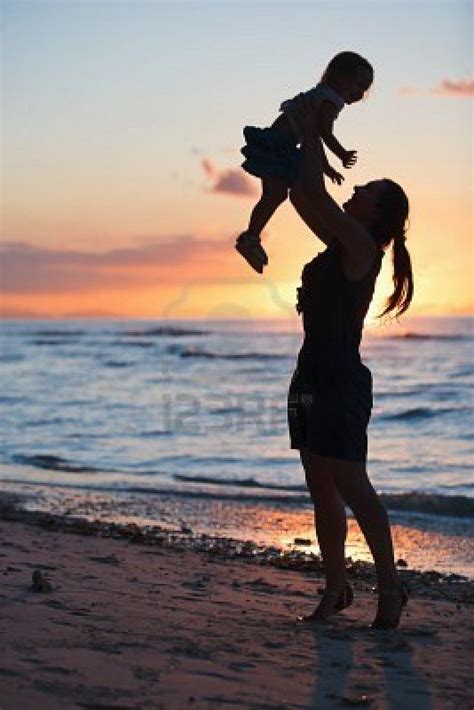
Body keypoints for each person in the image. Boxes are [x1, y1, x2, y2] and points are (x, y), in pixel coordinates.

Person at [278, 95, 414, 629]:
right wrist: (303, 136)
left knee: (353, 483)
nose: (355, 189)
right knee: (319, 483)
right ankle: (335, 589)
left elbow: (312, 193)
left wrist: (311, 130)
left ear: (376, 213)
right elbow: (300, 195)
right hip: (308, 375)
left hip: (338, 380)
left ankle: (391, 589)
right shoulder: (340, 243)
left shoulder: (360, 244)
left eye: (366, 191)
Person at [235, 51, 374, 274]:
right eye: (358, 85)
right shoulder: (330, 100)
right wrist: (341, 154)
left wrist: (325, 167)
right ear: (339, 76)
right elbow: (323, 133)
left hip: (284, 146)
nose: (360, 93)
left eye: (365, 89)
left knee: (276, 194)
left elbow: (313, 135)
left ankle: (251, 236)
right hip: (279, 146)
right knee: (275, 194)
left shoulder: (324, 95)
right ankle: (250, 237)